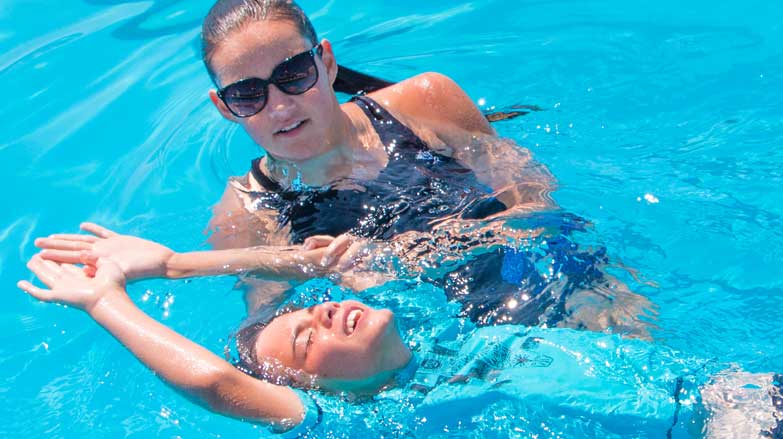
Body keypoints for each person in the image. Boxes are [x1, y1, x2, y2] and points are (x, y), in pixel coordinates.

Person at [19, 227, 783, 438]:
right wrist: (107, 300)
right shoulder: (364, 420)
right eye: (304, 341)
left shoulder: (438, 326)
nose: (321, 311)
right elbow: (214, 383)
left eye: (310, 309)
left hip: (742, 393)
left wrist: (174, 264)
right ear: (317, 389)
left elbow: (333, 259)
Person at [195, 0, 654, 335]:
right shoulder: (247, 215)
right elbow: (276, 342)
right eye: (248, 95)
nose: (278, 107)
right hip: (451, 349)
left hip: (555, 281)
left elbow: (538, 207)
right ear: (223, 107)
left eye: (294, 74)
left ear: (327, 62)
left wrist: (403, 259)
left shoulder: (426, 102)